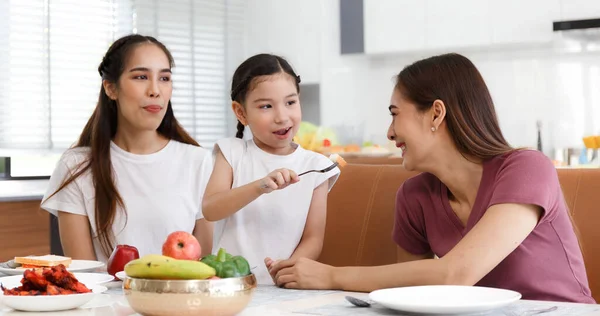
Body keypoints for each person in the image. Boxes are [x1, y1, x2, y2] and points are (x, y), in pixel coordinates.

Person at [268, 53, 595, 304]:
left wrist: (331, 276)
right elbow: (413, 293)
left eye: (395, 114)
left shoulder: (527, 168)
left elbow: (457, 274)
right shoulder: (414, 197)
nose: (390, 132)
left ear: (436, 114)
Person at [40, 34, 214, 263]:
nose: (155, 90)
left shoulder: (199, 162)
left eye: (164, 78)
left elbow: (203, 269)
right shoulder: (76, 166)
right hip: (106, 300)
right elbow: (85, 277)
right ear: (111, 88)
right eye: (141, 77)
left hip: (182, 299)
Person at [202, 53, 340, 285]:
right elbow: (211, 209)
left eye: (290, 102)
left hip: (283, 286)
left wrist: (287, 270)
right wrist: (260, 186)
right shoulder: (231, 152)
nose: (282, 116)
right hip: (226, 285)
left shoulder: (317, 167)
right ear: (241, 112)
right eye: (266, 106)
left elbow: (313, 238)